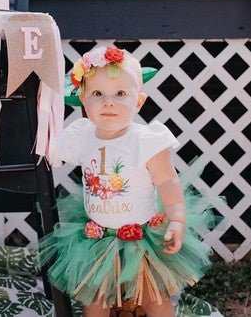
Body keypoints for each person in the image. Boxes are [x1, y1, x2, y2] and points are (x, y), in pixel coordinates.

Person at [39, 46, 221, 316]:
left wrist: (178, 220)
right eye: (97, 94)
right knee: (95, 299)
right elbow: (49, 150)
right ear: (83, 99)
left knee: (153, 297)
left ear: (139, 101)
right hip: (96, 236)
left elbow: (169, 183)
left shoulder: (146, 141)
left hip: (142, 235)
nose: (108, 102)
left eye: (121, 94)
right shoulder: (83, 135)